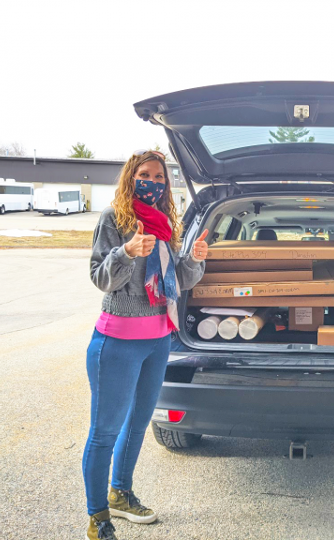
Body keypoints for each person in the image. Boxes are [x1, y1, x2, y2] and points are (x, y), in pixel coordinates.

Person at [82, 150, 208, 540]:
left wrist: (197, 260)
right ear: (131, 178)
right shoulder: (114, 220)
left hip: (158, 341)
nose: (153, 180)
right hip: (117, 342)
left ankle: (121, 493)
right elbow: (100, 278)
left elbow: (179, 280)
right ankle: (98, 517)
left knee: (137, 426)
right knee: (105, 431)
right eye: (145, 174)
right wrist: (126, 251)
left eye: (160, 176)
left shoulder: (166, 224)